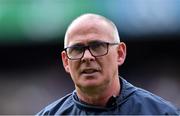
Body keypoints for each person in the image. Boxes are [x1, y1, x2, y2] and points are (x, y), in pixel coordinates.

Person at [37, 13, 179, 115]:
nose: (87, 57)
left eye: (97, 46)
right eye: (77, 49)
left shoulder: (161, 113)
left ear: (120, 53)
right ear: (66, 61)